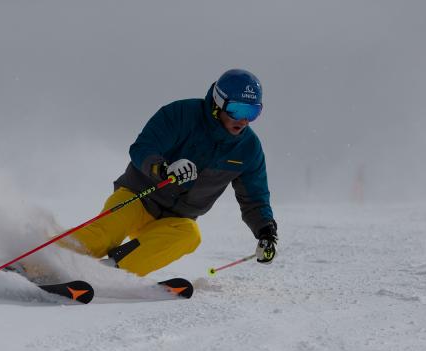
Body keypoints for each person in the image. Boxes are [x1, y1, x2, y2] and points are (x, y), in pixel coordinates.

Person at [70, 68, 278, 277]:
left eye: (252, 112)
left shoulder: (249, 149)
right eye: (237, 110)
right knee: (103, 236)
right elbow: (143, 148)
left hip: (175, 218)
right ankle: (48, 260)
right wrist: (161, 169)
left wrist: (265, 231)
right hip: (138, 198)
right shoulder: (182, 115)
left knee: (190, 235)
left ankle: (111, 273)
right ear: (218, 102)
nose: (243, 121)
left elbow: (255, 198)